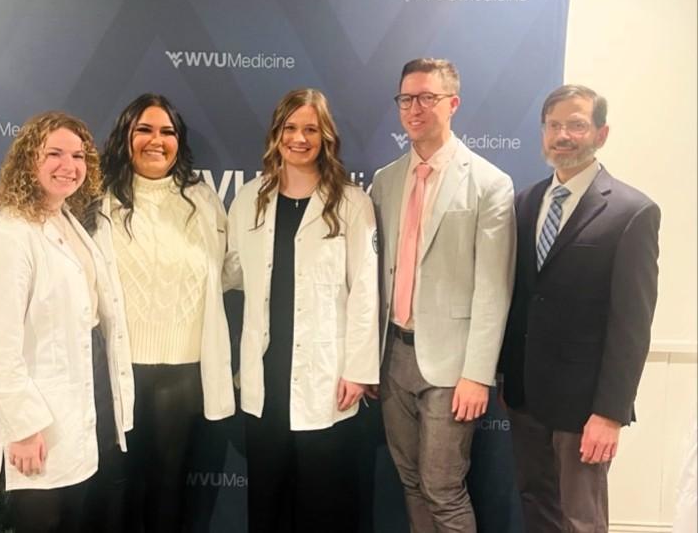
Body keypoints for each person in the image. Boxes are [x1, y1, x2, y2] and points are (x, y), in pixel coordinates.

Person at [499, 84, 660, 533]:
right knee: (537, 506)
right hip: (526, 397)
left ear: (601, 134)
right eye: (554, 125)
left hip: (585, 407)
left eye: (576, 124)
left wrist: (610, 413)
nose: (563, 135)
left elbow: (633, 325)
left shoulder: (632, 212)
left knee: (581, 520)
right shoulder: (526, 202)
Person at [369, 58, 516, 532]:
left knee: (443, 489)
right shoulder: (385, 180)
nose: (415, 108)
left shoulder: (490, 184)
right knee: (411, 482)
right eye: (406, 99)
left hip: (452, 369)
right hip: (393, 357)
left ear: (452, 104)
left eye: (427, 98)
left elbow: (495, 289)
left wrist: (477, 374)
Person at [0, 111, 134, 533]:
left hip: (75, 416)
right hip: (37, 428)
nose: (70, 165)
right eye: (55, 154)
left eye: (78, 155)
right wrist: (23, 428)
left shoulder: (64, 221)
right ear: (28, 161)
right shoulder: (8, 237)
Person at [226, 88, 379, 532]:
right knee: (267, 501)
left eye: (310, 129)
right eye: (290, 128)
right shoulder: (249, 200)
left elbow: (366, 291)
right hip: (265, 375)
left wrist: (358, 369)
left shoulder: (352, 203)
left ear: (325, 136)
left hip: (326, 376)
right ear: (276, 135)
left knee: (322, 504)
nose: (299, 138)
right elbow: (229, 271)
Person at [88, 93, 235, 532]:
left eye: (167, 131)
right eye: (145, 130)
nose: (157, 140)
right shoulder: (98, 199)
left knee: (168, 487)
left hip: (182, 371)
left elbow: (226, 270)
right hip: (118, 369)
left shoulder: (203, 200)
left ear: (179, 141)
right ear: (126, 136)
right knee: (116, 486)